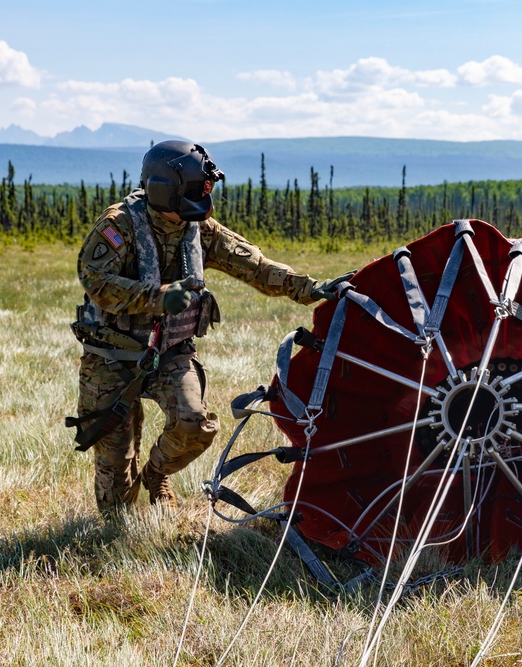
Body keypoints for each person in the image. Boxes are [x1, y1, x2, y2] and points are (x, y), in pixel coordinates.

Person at [67, 140, 353, 516]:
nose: (199, 208)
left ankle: (157, 474)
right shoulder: (118, 226)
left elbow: (254, 265)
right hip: (111, 356)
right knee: (115, 497)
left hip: (169, 352)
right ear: (163, 191)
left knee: (194, 425)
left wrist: (311, 288)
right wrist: (157, 297)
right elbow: (96, 281)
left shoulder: (199, 229)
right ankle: (121, 508)